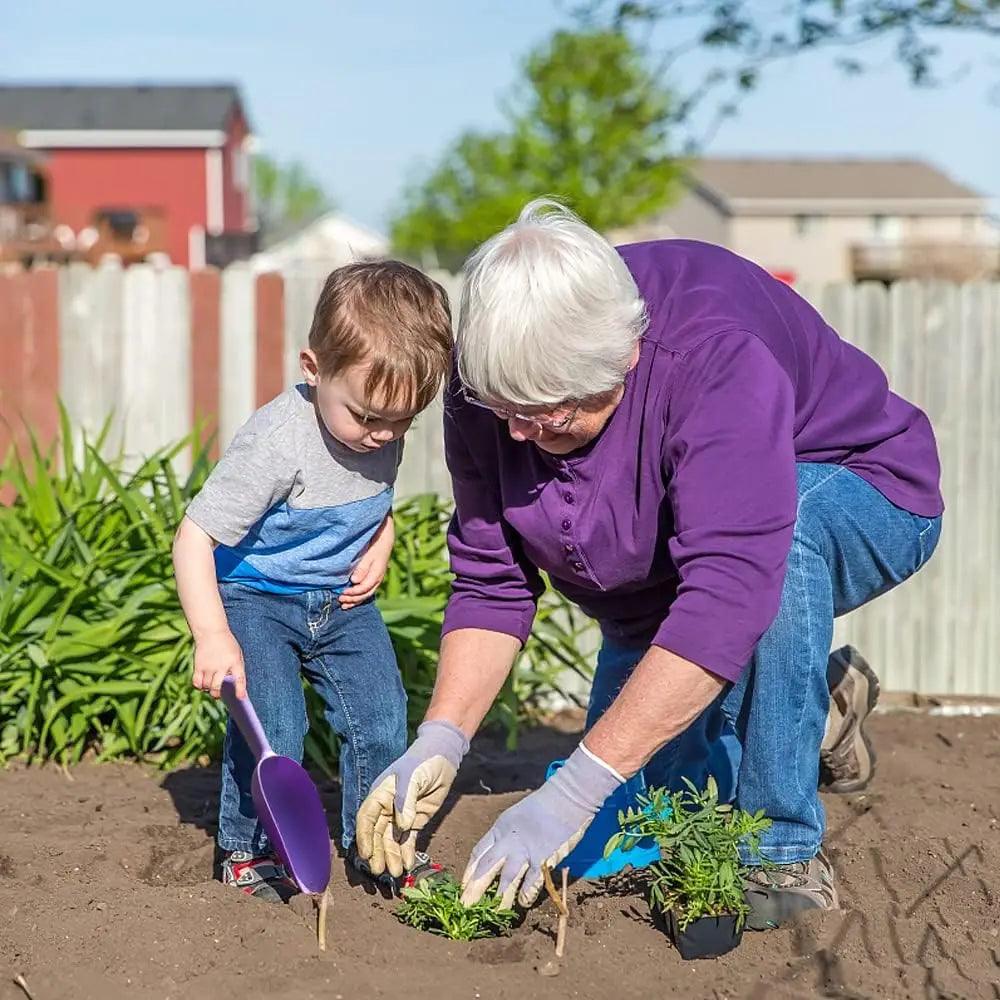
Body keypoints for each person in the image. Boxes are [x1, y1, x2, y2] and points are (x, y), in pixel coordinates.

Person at [355, 201, 943, 930]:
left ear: (623, 362)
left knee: (779, 545)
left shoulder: (713, 360)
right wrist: (440, 736)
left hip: (862, 487)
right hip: (672, 576)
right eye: (504, 408)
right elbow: (493, 579)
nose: (516, 433)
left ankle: (783, 851)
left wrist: (573, 789)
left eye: (547, 415)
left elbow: (730, 590)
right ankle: (811, 707)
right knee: (645, 806)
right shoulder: (492, 382)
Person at [173, 261, 452, 902]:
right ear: (313, 368)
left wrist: (383, 540)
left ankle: (379, 845)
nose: (382, 434)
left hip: (342, 603)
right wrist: (212, 635)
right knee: (273, 728)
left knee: (382, 719)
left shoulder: (378, 423)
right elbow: (193, 538)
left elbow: (371, 499)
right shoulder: (276, 444)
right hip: (255, 599)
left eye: (402, 422)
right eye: (367, 416)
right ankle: (246, 849)